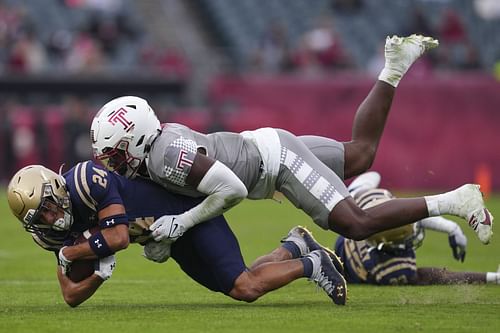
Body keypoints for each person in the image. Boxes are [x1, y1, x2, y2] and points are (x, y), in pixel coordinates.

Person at [89, 34, 493, 253]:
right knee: (361, 153)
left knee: (356, 224)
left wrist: (184, 223)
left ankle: (456, 200)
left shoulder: (162, 157)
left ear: (137, 137)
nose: (116, 164)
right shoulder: (158, 148)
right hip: (268, 149)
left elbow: (230, 189)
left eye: (117, 153)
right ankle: (394, 65)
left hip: (275, 162)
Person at [6, 161, 347, 307]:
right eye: (42, 218)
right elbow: (70, 294)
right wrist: (98, 276)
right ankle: (294, 245)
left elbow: (118, 238)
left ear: (55, 187)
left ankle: (314, 264)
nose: (52, 219)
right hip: (167, 235)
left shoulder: (84, 182)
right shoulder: (49, 231)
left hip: (186, 214)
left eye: (49, 207)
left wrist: (72, 254)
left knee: (246, 287)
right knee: (236, 285)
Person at [334, 171, 500, 285]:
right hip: (353, 255)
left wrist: (452, 228)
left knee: (369, 187)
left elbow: (404, 219)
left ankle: (353, 193)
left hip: (360, 216)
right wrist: (491, 278)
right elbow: (431, 276)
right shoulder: (391, 269)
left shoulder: (368, 201)